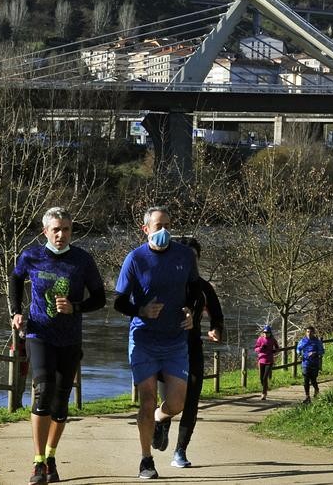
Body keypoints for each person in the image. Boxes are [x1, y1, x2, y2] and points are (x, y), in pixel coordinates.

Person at [10, 207, 106, 484]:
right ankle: (38, 462)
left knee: (61, 401)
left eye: (66, 229)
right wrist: (16, 311)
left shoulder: (82, 260)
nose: (61, 234)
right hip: (39, 334)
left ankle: (51, 457)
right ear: (45, 232)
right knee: (43, 390)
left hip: (70, 339)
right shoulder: (31, 256)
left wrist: (75, 307)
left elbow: (99, 298)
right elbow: (16, 278)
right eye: (56, 229)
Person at [113, 206, 201, 480]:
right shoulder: (135, 259)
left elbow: (195, 290)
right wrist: (140, 310)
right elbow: (118, 302)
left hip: (175, 340)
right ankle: (146, 461)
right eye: (158, 225)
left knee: (177, 403)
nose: (164, 231)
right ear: (145, 229)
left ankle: (162, 420)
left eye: (168, 225)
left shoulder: (185, 255)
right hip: (144, 339)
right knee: (147, 400)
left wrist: (191, 311)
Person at [161, 236, 224, 468]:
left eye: (194, 258)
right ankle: (162, 422)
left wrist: (216, 330)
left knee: (192, 399)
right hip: (165, 347)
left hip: (192, 347)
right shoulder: (163, 282)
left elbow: (217, 315)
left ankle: (180, 451)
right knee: (169, 398)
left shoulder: (204, 288)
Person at [296, 326, 325, 403]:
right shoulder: (303, 341)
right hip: (305, 363)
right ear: (306, 332)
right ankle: (307, 397)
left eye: (311, 332)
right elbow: (298, 349)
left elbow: (322, 351)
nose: (309, 333)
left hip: (314, 363)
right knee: (306, 380)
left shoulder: (317, 341)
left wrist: (315, 353)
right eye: (308, 332)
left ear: (313, 332)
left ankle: (316, 389)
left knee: (313, 380)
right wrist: (299, 354)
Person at [254, 325, 279, 400]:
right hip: (261, 361)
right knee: (261, 378)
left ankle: (264, 393)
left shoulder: (273, 340)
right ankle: (265, 387)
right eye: (264, 332)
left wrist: (275, 350)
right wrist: (261, 348)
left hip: (269, 361)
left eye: (267, 332)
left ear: (270, 333)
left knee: (265, 378)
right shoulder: (260, 339)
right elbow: (255, 349)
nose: (266, 334)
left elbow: (277, 348)